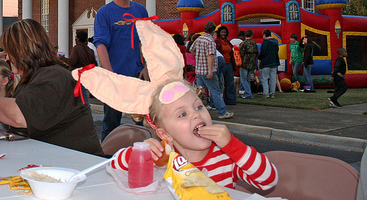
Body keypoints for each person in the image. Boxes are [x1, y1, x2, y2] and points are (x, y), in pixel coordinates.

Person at [109, 81, 277, 190]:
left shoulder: (226, 157)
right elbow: (113, 167)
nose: (196, 115)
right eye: (182, 114)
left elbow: (268, 180)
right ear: (164, 134)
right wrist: (141, 152)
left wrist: (231, 145)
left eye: (198, 107)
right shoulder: (163, 157)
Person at [0, 19, 103, 156]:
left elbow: (19, 116)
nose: (7, 57)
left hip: (77, 167)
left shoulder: (54, 77)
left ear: (23, 51)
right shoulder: (35, 77)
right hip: (56, 163)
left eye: (10, 52)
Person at [94, 0, 149, 140]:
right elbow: (100, 44)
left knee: (143, 122)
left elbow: (147, 42)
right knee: (111, 123)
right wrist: (110, 73)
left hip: (137, 74)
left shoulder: (140, 11)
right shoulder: (105, 13)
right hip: (115, 75)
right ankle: (107, 158)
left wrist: (147, 66)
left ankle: (146, 155)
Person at [190, 22, 233, 119]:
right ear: (213, 31)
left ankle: (192, 109)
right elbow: (210, 56)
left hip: (199, 70)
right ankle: (222, 112)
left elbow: (191, 49)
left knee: (198, 91)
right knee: (215, 91)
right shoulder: (210, 41)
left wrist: (198, 57)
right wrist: (210, 71)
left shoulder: (199, 39)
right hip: (207, 70)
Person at [215, 26, 237, 105]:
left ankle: (230, 100)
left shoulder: (228, 42)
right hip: (220, 64)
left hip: (229, 64)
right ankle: (219, 100)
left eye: (224, 32)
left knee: (230, 82)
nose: (223, 34)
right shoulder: (217, 42)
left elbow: (231, 52)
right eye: (222, 32)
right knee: (220, 82)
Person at [258, 29, 280, 98]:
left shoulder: (265, 43)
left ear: (264, 35)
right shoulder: (276, 42)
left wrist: (259, 57)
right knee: (273, 78)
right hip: (274, 62)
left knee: (264, 78)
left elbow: (263, 53)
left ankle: (266, 93)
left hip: (266, 63)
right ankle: (272, 93)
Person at [238, 30, 258, 99]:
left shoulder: (243, 44)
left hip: (244, 63)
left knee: (243, 79)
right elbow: (256, 53)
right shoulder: (254, 44)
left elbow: (240, 54)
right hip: (252, 63)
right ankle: (248, 92)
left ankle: (248, 93)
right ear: (252, 35)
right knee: (247, 79)